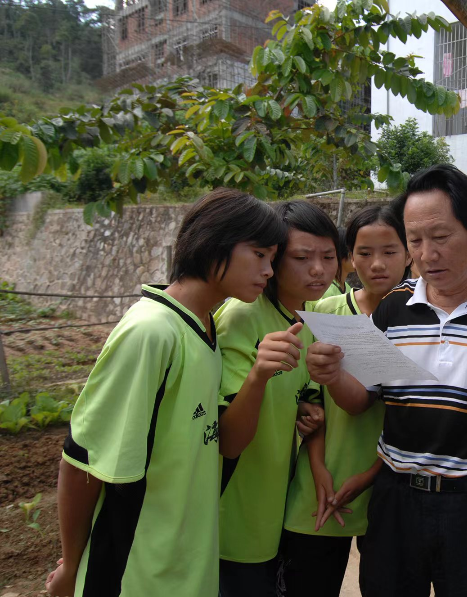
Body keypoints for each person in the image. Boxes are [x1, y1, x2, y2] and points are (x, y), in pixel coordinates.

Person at [306, 164, 467, 596]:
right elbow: (361, 400)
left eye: (441, 237)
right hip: (395, 501)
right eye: (415, 241)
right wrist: (334, 376)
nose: (427, 254)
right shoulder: (393, 308)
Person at [45, 188, 290, 597]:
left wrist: (259, 378)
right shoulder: (151, 332)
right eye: (260, 255)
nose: (269, 271)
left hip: (186, 564)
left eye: (273, 258)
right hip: (135, 571)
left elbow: (221, 443)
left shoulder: (204, 326)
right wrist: (71, 565)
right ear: (215, 243)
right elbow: (81, 461)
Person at [280, 205, 412, 597]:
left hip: (389, 487)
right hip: (321, 485)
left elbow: (412, 416)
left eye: (390, 251)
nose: (377, 265)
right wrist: (319, 467)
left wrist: (370, 475)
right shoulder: (322, 313)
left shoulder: (422, 321)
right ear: (349, 258)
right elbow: (313, 403)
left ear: (409, 253)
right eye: (364, 253)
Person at [215, 200, 339, 596]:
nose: (318, 269)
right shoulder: (242, 317)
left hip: (281, 506)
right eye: (302, 257)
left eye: (329, 256)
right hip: (236, 513)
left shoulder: (316, 311)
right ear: (271, 263)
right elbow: (228, 438)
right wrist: (259, 375)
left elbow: (300, 393)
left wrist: (307, 409)